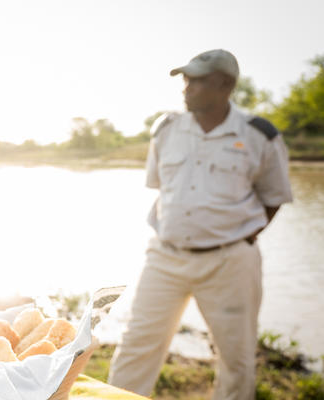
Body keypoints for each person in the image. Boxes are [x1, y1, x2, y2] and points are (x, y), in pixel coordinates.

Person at [108, 49, 293, 398]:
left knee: (235, 358)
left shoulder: (260, 135)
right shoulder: (165, 129)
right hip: (165, 257)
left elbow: (274, 196)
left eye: (197, 80)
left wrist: (239, 237)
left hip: (229, 262)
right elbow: (163, 189)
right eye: (185, 79)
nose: (186, 88)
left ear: (225, 84)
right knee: (136, 345)